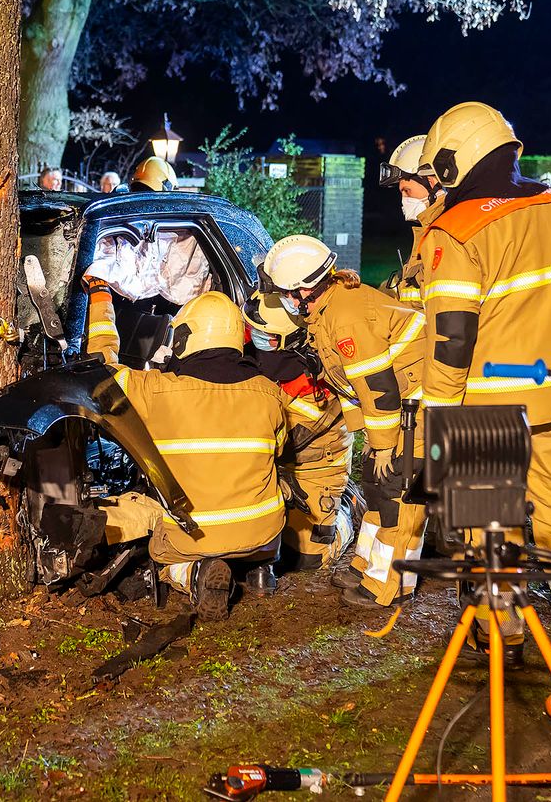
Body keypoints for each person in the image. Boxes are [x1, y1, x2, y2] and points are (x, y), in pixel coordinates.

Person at [416, 101, 551, 662]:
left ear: (456, 164)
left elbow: (452, 337)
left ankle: (498, 630)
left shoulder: (456, 231)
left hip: (484, 411)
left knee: (487, 520)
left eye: (438, 171)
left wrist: (439, 412)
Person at [84, 282, 287, 620]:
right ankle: (261, 572)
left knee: (158, 538)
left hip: (193, 539)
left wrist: (100, 297)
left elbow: (97, 370)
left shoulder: (152, 389)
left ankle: (193, 575)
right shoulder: (269, 392)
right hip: (265, 534)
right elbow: (277, 451)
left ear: (184, 339)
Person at [262, 236, 427, 609]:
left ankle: (390, 583)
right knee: (375, 480)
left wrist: (384, 443)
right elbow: (353, 385)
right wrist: (372, 437)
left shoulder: (345, 316)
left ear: (305, 290)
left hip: (420, 404)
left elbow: (377, 384)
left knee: (399, 489)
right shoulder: (328, 309)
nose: (284, 301)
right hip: (399, 405)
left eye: (286, 292)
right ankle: (365, 562)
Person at [243, 291, 355, 572]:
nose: (253, 337)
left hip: (313, 469)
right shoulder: (265, 355)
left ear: (287, 339)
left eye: (262, 334)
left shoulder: (318, 382)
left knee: (308, 558)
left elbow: (279, 438)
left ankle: (349, 508)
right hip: (279, 466)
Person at [378, 134, 446, 309]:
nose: (403, 201)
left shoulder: (446, 233)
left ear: (432, 182)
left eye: (407, 191)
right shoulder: (428, 231)